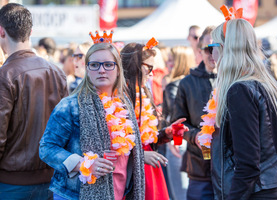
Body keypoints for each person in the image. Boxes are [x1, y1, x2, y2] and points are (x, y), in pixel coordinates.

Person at [39, 38, 145, 200]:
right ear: (87, 69)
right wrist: (83, 164)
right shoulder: (70, 105)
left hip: (120, 193)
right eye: (95, 65)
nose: (101, 70)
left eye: (108, 64)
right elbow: (47, 148)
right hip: (76, 195)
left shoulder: (125, 104)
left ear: (118, 70)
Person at [210, 16, 277, 199]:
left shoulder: (240, 90)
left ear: (226, 49)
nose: (212, 55)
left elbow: (248, 163)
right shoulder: (270, 85)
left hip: (258, 192)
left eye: (213, 47)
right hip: (276, 189)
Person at [0, 3, 68, 199]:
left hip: (11, 183)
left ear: (1, 31)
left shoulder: (5, 75)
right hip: (51, 179)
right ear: (30, 32)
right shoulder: (57, 72)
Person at [121, 41, 188, 200]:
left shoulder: (140, 92)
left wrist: (166, 133)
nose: (151, 74)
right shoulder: (118, 98)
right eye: (149, 68)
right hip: (131, 173)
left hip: (149, 168)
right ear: (134, 66)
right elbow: (114, 143)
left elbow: (146, 139)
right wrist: (140, 155)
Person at [171, 26, 216, 200]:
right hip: (199, 166)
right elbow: (177, 123)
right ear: (199, 50)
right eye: (208, 49)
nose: (212, 54)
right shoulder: (186, 83)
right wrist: (195, 136)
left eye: (217, 48)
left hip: (230, 167)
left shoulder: (233, 80)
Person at [162, 46, 195, 200]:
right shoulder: (194, 82)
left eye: (171, 60)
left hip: (177, 139)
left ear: (180, 61)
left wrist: (174, 140)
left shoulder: (173, 84)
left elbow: (177, 118)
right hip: (193, 139)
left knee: (179, 192)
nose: (167, 63)